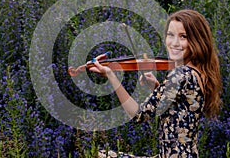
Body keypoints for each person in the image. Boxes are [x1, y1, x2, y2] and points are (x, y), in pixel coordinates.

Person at [90, 9, 222, 157]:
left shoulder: (180, 74)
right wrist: (157, 88)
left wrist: (111, 76)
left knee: (102, 155)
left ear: (197, 40)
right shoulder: (197, 73)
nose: (174, 43)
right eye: (170, 35)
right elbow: (182, 106)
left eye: (183, 36)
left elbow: (138, 115)